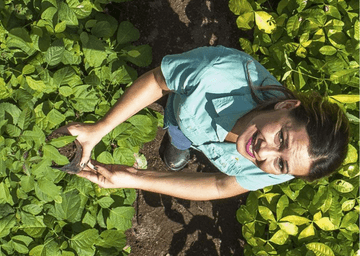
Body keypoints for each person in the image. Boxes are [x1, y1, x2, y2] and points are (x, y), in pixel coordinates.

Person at [62, 46, 349, 201]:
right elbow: (158, 80)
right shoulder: (217, 73)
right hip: (182, 116)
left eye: (281, 163)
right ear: (286, 107)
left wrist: (132, 179)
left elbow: (221, 185)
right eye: (281, 138)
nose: (264, 153)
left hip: (194, 127)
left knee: (181, 143)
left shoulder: (290, 166)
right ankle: (177, 147)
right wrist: (101, 128)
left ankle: (178, 151)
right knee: (178, 132)